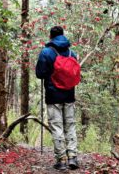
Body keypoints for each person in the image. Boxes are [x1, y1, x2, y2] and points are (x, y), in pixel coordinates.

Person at [36, 26, 79, 170]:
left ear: (50, 36)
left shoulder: (46, 52)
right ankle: (73, 157)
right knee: (70, 126)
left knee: (57, 127)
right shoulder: (72, 53)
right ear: (63, 35)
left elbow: (39, 74)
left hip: (53, 96)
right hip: (69, 95)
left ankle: (61, 160)